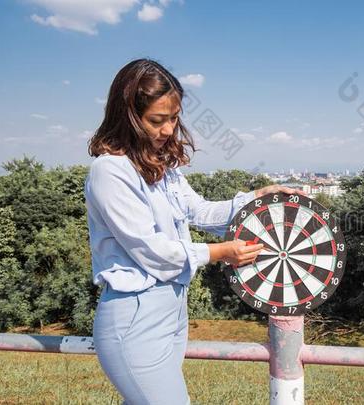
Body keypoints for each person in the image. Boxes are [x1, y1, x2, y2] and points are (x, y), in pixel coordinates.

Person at [84, 58, 304, 405]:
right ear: (127, 116)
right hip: (135, 315)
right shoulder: (110, 171)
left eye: (174, 118)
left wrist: (256, 198)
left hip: (173, 310)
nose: (169, 130)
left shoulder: (160, 168)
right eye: (157, 120)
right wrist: (219, 253)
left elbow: (200, 211)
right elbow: (151, 250)